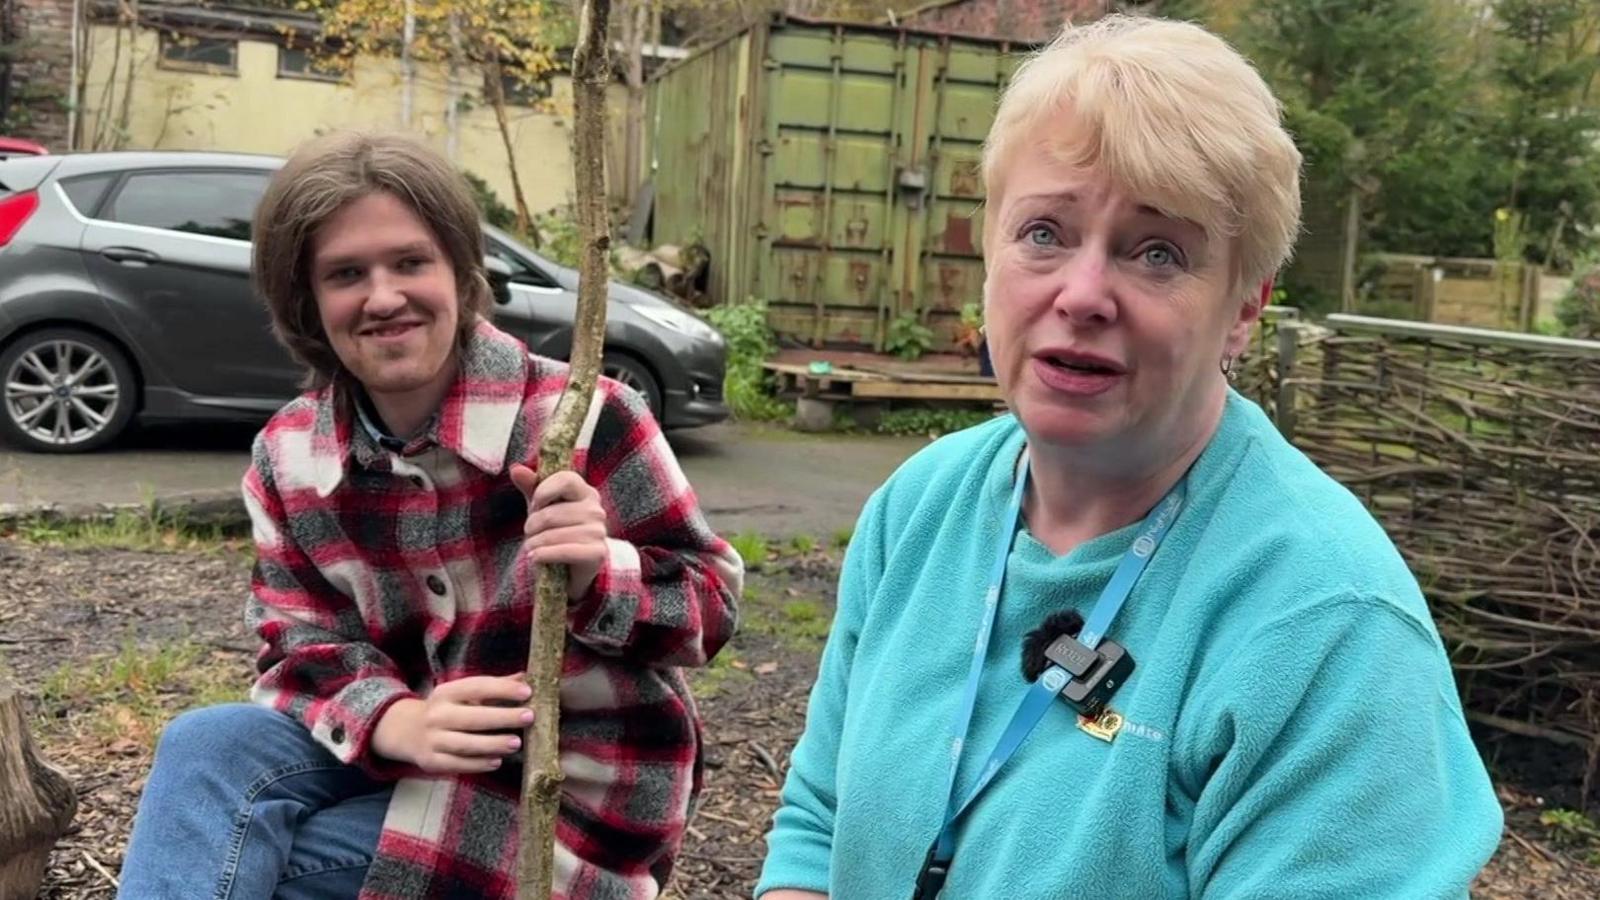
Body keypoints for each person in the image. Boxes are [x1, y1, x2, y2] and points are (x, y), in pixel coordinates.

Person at [757, 15, 1502, 900]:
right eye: (1044, 232)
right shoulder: (921, 507)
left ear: (1243, 308)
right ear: (989, 249)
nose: (1082, 294)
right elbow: (820, 821)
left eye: (1158, 253)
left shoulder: (1326, 626)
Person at [116, 131, 742, 899]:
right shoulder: (289, 456)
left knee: (255, 858)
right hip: (395, 759)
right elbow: (299, 643)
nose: (384, 298)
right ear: (306, 301)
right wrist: (393, 720)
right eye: (347, 274)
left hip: (564, 790)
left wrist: (596, 574)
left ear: (460, 270)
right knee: (208, 746)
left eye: (410, 262)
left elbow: (712, 607)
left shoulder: (586, 421)